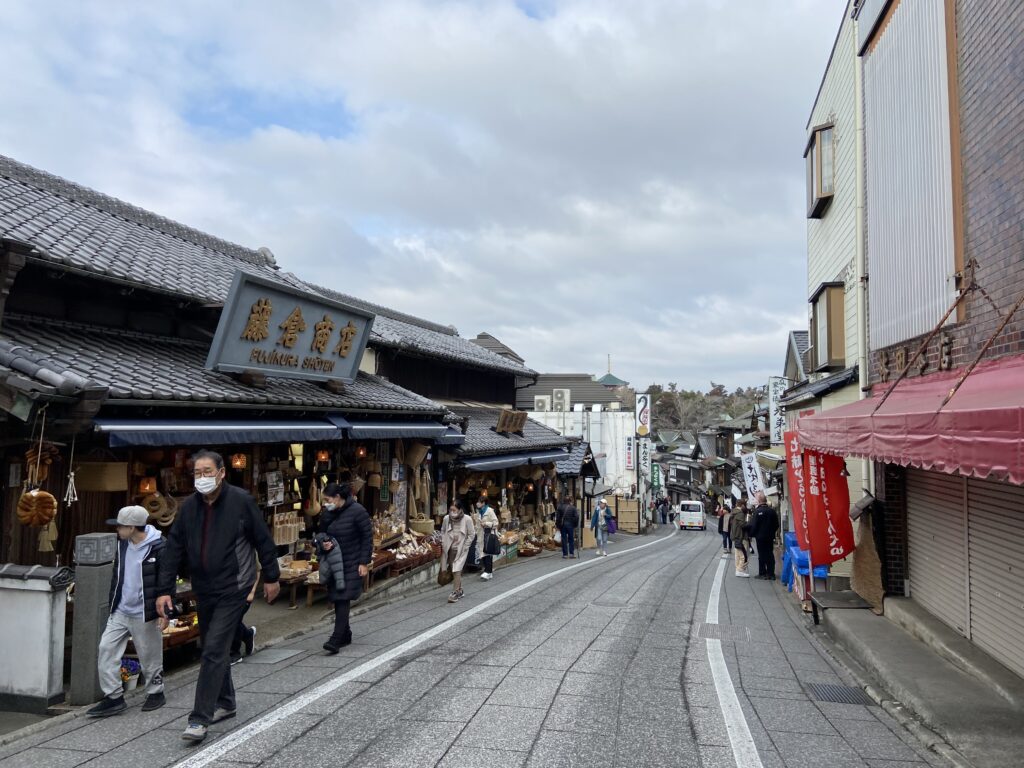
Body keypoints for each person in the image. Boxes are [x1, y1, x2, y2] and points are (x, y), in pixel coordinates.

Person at [156, 450, 281, 744]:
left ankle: (199, 718)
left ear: (222, 473)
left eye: (207, 472)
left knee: (212, 648)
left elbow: (263, 539)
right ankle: (226, 701)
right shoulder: (189, 508)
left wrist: (272, 576)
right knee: (213, 646)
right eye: (197, 473)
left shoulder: (241, 501)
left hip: (234, 587)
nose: (202, 478)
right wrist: (164, 590)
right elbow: (173, 548)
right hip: (204, 587)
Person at [87, 505, 167, 717]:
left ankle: (156, 692)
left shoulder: (159, 546)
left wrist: (165, 612)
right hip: (120, 609)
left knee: (149, 655)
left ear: (132, 527)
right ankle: (113, 697)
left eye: (120, 526)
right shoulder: (122, 544)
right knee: (106, 649)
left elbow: (166, 580)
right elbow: (118, 575)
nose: (117, 529)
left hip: (145, 612)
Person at [318, 482, 373, 653]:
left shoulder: (358, 511)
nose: (325, 504)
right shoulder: (327, 514)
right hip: (333, 563)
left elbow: (367, 537)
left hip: (352, 562)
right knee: (337, 597)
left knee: (342, 598)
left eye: (327, 500)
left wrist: (363, 562)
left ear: (337, 497)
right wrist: (322, 542)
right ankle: (345, 633)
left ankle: (335, 639)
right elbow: (319, 534)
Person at [441, 500, 475, 602]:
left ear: (460, 510)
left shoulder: (467, 519)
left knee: (457, 569)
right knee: (453, 569)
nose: (452, 512)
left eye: (454, 510)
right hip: (450, 548)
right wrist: (443, 541)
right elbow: (443, 530)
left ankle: (455, 592)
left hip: (461, 548)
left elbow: (472, 534)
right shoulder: (447, 518)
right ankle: (460, 590)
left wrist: (466, 545)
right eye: (450, 510)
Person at [748, 491, 780, 580]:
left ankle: (762, 573)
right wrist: (772, 532)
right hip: (770, 537)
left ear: (759, 501)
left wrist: (751, 534)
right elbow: (776, 525)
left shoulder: (757, 512)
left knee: (761, 554)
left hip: (760, 537)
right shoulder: (772, 511)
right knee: (770, 554)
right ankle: (771, 573)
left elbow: (754, 525)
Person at [228, 579, 259, 665]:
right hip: (225, 593)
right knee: (232, 620)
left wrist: (252, 592)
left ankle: (234, 653)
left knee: (233, 619)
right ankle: (248, 635)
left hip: (242, 593)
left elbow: (256, 571)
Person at [474, 496, 500, 581]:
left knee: (488, 553)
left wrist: (486, 524)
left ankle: (488, 571)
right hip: (481, 535)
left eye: (479, 502)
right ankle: (489, 572)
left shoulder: (489, 511)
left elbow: (496, 523)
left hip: (489, 535)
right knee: (483, 553)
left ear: (483, 503)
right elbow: (477, 525)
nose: (477, 503)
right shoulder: (479, 512)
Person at [729, 500, 751, 578]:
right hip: (741, 536)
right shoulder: (740, 514)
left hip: (735, 536)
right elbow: (743, 525)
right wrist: (749, 522)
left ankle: (737, 569)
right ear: (742, 505)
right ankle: (740, 570)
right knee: (743, 555)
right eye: (745, 505)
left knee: (738, 555)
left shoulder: (733, 512)